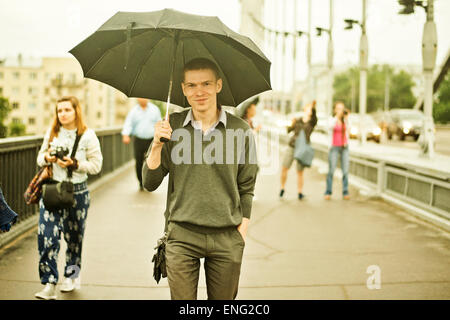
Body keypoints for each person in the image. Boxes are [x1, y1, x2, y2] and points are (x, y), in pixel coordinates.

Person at [143, 58, 259, 300]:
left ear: (218, 85)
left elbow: (246, 186)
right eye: (192, 85)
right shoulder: (171, 127)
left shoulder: (241, 130)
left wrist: (242, 231)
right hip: (182, 236)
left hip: (227, 237)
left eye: (206, 83)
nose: (199, 91)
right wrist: (156, 145)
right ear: (183, 89)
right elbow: (149, 182)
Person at [34, 96, 103, 300]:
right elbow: (39, 158)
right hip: (53, 190)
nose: (62, 114)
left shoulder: (87, 135)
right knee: (47, 236)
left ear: (76, 111)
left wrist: (75, 163)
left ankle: (71, 276)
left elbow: (96, 165)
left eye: (66, 110)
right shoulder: (52, 132)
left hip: (77, 193)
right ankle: (49, 283)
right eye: (59, 110)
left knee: (74, 239)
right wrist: (48, 158)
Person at [279, 101, 317, 200]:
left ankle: (300, 192)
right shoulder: (298, 120)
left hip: (302, 149)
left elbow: (315, 118)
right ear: (304, 109)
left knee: (300, 171)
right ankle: (282, 188)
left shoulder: (312, 122)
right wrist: (291, 123)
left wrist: (313, 107)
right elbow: (289, 130)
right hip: (292, 145)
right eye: (307, 108)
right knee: (284, 167)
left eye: (310, 109)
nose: (308, 110)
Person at [122, 98, 162, 191]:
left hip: (151, 140)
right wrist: (126, 135)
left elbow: (159, 123)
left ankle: (148, 181)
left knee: (149, 160)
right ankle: (141, 182)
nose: (142, 99)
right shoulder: (134, 111)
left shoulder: (154, 109)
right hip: (138, 139)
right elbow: (128, 123)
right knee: (138, 161)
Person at [324, 101, 350, 200]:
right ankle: (328, 191)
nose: (340, 111)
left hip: (344, 147)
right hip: (334, 147)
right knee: (331, 170)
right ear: (335, 110)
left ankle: (345, 191)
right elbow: (328, 127)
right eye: (338, 108)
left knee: (345, 171)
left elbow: (349, 129)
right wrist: (337, 117)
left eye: (342, 109)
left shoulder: (345, 120)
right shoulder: (331, 119)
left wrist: (346, 119)